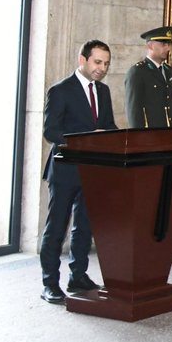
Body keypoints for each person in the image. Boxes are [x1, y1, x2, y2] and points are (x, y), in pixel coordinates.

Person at [39, 40, 118, 304]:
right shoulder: (61, 90)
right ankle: (50, 283)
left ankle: (78, 275)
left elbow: (108, 126)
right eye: (97, 62)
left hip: (93, 170)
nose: (102, 68)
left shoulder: (104, 92)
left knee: (84, 226)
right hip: (64, 169)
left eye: (106, 64)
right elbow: (51, 131)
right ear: (82, 60)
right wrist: (85, 138)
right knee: (57, 227)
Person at [124, 25, 172, 128]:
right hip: (150, 135)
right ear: (150, 46)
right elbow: (134, 111)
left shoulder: (169, 71)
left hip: (170, 134)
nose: (168, 48)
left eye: (168, 44)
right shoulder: (138, 72)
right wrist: (139, 137)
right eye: (164, 44)